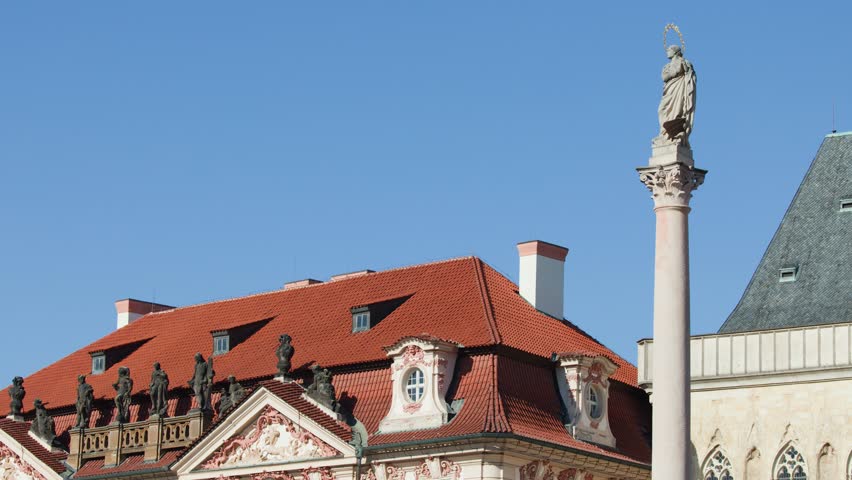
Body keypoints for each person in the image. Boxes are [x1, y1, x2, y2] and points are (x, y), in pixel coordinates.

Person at [657, 45, 696, 146]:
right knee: (662, 110)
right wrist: (672, 73)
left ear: (675, 51)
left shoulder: (684, 62)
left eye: (669, 50)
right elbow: (664, 77)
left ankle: (675, 133)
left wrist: (684, 70)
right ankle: (664, 134)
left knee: (677, 110)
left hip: (679, 89)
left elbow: (688, 75)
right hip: (669, 91)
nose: (667, 51)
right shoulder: (666, 66)